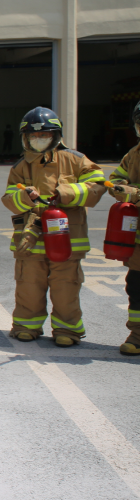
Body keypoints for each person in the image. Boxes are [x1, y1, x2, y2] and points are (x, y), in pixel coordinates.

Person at [1, 107, 105, 347]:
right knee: (28, 285)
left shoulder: (76, 160)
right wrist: (25, 197)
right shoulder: (20, 166)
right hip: (30, 240)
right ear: (25, 139)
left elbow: (97, 186)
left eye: (44, 135)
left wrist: (65, 193)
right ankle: (26, 326)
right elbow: (8, 199)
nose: (38, 140)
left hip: (66, 240)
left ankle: (67, 330)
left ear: (56, 136)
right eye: (33, 137)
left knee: (66, 287)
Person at [104, 101, 140, 355]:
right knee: (136, 288)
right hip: (137, 244)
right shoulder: (134, 154)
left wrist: (134, 194)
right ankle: (137, 335)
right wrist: (117, 188)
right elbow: (117, 177)